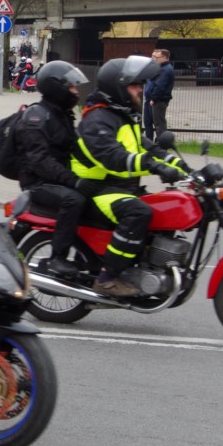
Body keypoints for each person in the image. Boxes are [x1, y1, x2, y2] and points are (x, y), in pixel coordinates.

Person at [71, 55, 188, 297]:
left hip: (120, 186)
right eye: (135, 85)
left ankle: (143, 266)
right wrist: (155, 168)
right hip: (97, 188)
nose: (140, 90)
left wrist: (188, 169)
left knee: (161, 208)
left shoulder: (122, 115)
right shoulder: (97, 119)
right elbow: (113, 158)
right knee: (139, 213)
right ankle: (106, 279)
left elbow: (150, 148)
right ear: (118, 86)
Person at [15, 61, 90, 277]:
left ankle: (87, 257)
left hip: (55, 179)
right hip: (37, 183)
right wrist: (72, 180)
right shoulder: (37, 116)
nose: (76, 92)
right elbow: (39, 160)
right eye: (72, 87)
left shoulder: (61, 114)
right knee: (73, 200)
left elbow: (76, 147)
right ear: (56, 88)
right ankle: (57, 258)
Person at [143, 49, 174, 141]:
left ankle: (161, 143)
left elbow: (160, 86)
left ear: (164, 57)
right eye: (152, 56)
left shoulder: (165, 70)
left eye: (156, 57)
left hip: (158, 101)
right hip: (150, 99)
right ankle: (149, 142)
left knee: (159, 124)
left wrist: (154, 99)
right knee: (148, 122)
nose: (153, 59)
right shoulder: (158, 68)